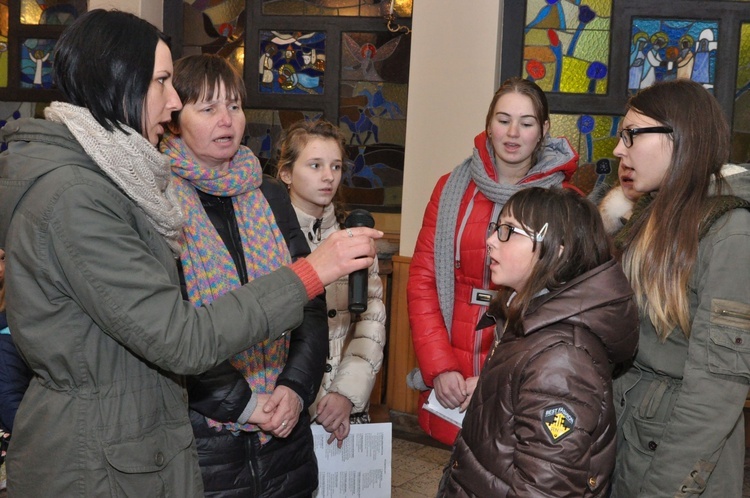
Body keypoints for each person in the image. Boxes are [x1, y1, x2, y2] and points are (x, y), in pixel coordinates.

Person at [0, 10, 380, 497]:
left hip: (133, 442)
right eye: (163, 82)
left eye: (234, 105)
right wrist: (311, 271)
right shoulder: (81, 196)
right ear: (121, 83)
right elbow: (181, 337)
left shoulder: (116, 184)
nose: (174, 100)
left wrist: (292, 388)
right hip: (99, 458)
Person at [160, 53, 327, 497]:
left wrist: (293, 388)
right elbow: (170, 328)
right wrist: (246, 405)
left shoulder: (270, 193)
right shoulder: (159, 200)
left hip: (285, 436)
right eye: (208, 108)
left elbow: (308, 300)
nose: (226, 120)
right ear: (175, 120)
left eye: (234, 106)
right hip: (204, 442)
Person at [407, 77, 580, 446]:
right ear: (488, 125)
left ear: (544, 130)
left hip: (521, 364)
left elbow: (563, 305)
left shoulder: (564, 202)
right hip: (450, 363)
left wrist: (493, 375)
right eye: (503, 120)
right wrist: (439, 368)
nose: (513, 132)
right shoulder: (450, 187)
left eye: (527, 122)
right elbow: (423, 280)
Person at [436, 187, 639, 497]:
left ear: (557, 249)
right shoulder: (531, 317)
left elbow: (545, 489)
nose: (491, 240)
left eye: (508, 231)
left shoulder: (562, 362)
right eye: (496, 228)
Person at [609, 79, 750, 497]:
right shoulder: (653, 215)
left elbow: (716, 391)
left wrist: (662, 488)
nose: (620, 149)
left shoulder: (731, 234)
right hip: (632, 433)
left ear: (679, 137)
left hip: (674, 457)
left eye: (632, 134)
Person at [277, 119, 386, 448]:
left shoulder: (354, 237)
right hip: (285, 396)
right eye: (315, 165)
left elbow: (371, 319)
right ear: (285, 173)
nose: (328, 176)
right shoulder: (267, 237)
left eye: (336, 166)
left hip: (342, 398)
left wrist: (346, 392)